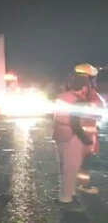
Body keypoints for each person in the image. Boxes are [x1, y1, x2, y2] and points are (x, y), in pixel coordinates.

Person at [53, 74, 95, 212]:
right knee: (71, 168)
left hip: (60, 135)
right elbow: (76, 124)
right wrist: (87, 140)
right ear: (84, 87)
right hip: (72, 136)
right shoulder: (78, 101)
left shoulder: (63, 96)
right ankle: (66, 200)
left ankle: (69, 194)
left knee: (65, 167)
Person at [73, 63, 104, 195]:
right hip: (86, 132)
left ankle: (73, 185)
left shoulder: (72, 90)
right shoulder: (88, 92)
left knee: (78, 159)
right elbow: (97, 110)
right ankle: (82, 185)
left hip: (78, 132)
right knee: (86, 160)